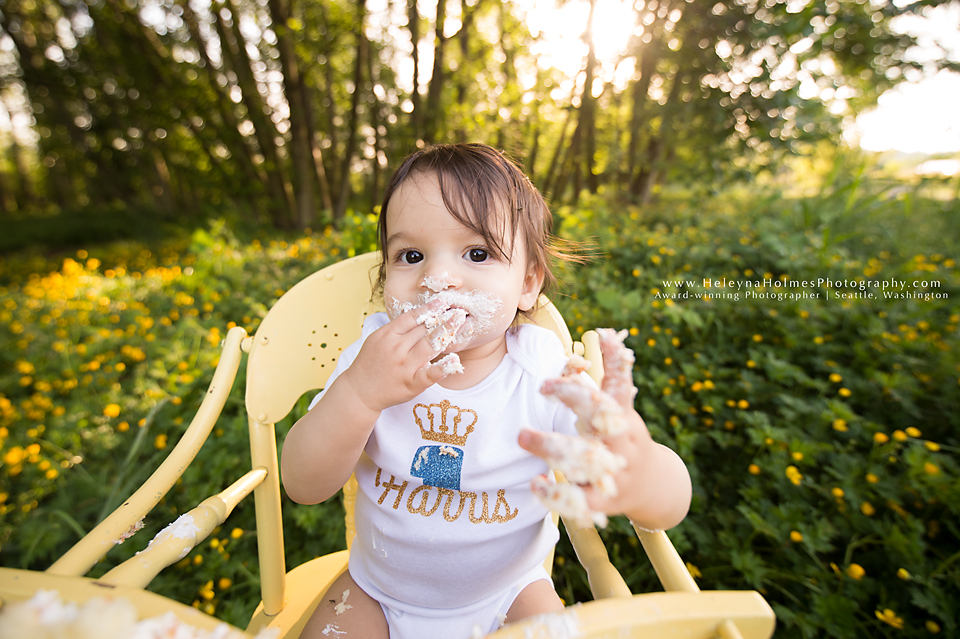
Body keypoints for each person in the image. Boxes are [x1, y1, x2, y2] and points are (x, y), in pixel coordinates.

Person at [280, 143, 692, 639]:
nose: (437, 278)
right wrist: (360, 396)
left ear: (527, 285)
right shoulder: (369, 361)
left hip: (510, 593)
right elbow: (303, 487)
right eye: (410, 256)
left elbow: (672, 505)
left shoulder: (543, 373)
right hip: (376, 592)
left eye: (477, 253)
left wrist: (641, 472)